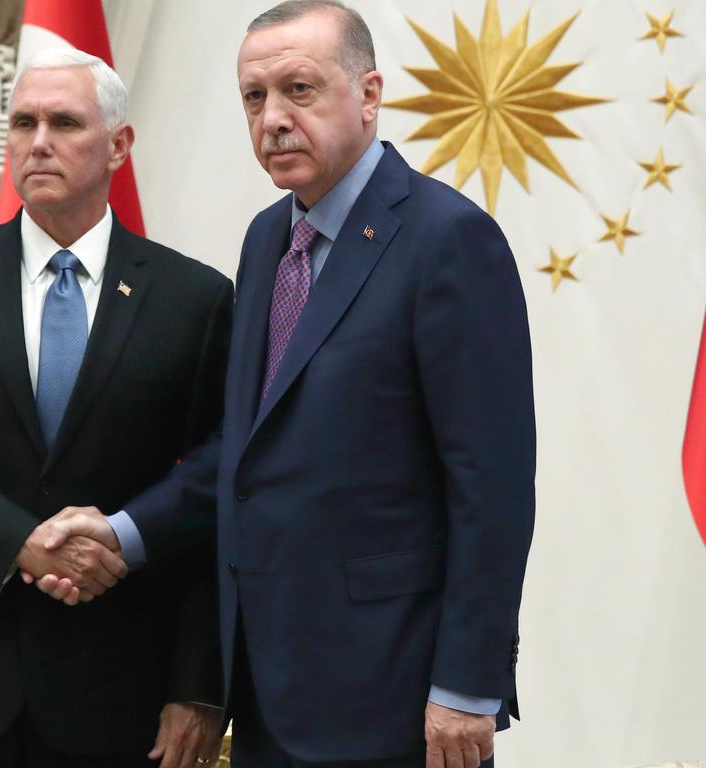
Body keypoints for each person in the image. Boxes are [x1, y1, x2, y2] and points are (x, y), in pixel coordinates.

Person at [39, 3, 536, 767]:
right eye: (253, 97)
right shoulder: (269, 237)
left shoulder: (448, 240)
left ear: (368, 95)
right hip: (268, 686)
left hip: (394, 691)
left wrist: (467, 688)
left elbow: (492, 488)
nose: (272, 119)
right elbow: (245, 452)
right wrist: (123, 532)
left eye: (299, 90)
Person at [0, 49, 232, 768]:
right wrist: (15, 540)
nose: (39, 141)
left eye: (64, 122)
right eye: (24, 123)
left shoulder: (194, 299)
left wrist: (200, 686)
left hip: (121, 688)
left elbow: (218, 479)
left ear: (119, 145)